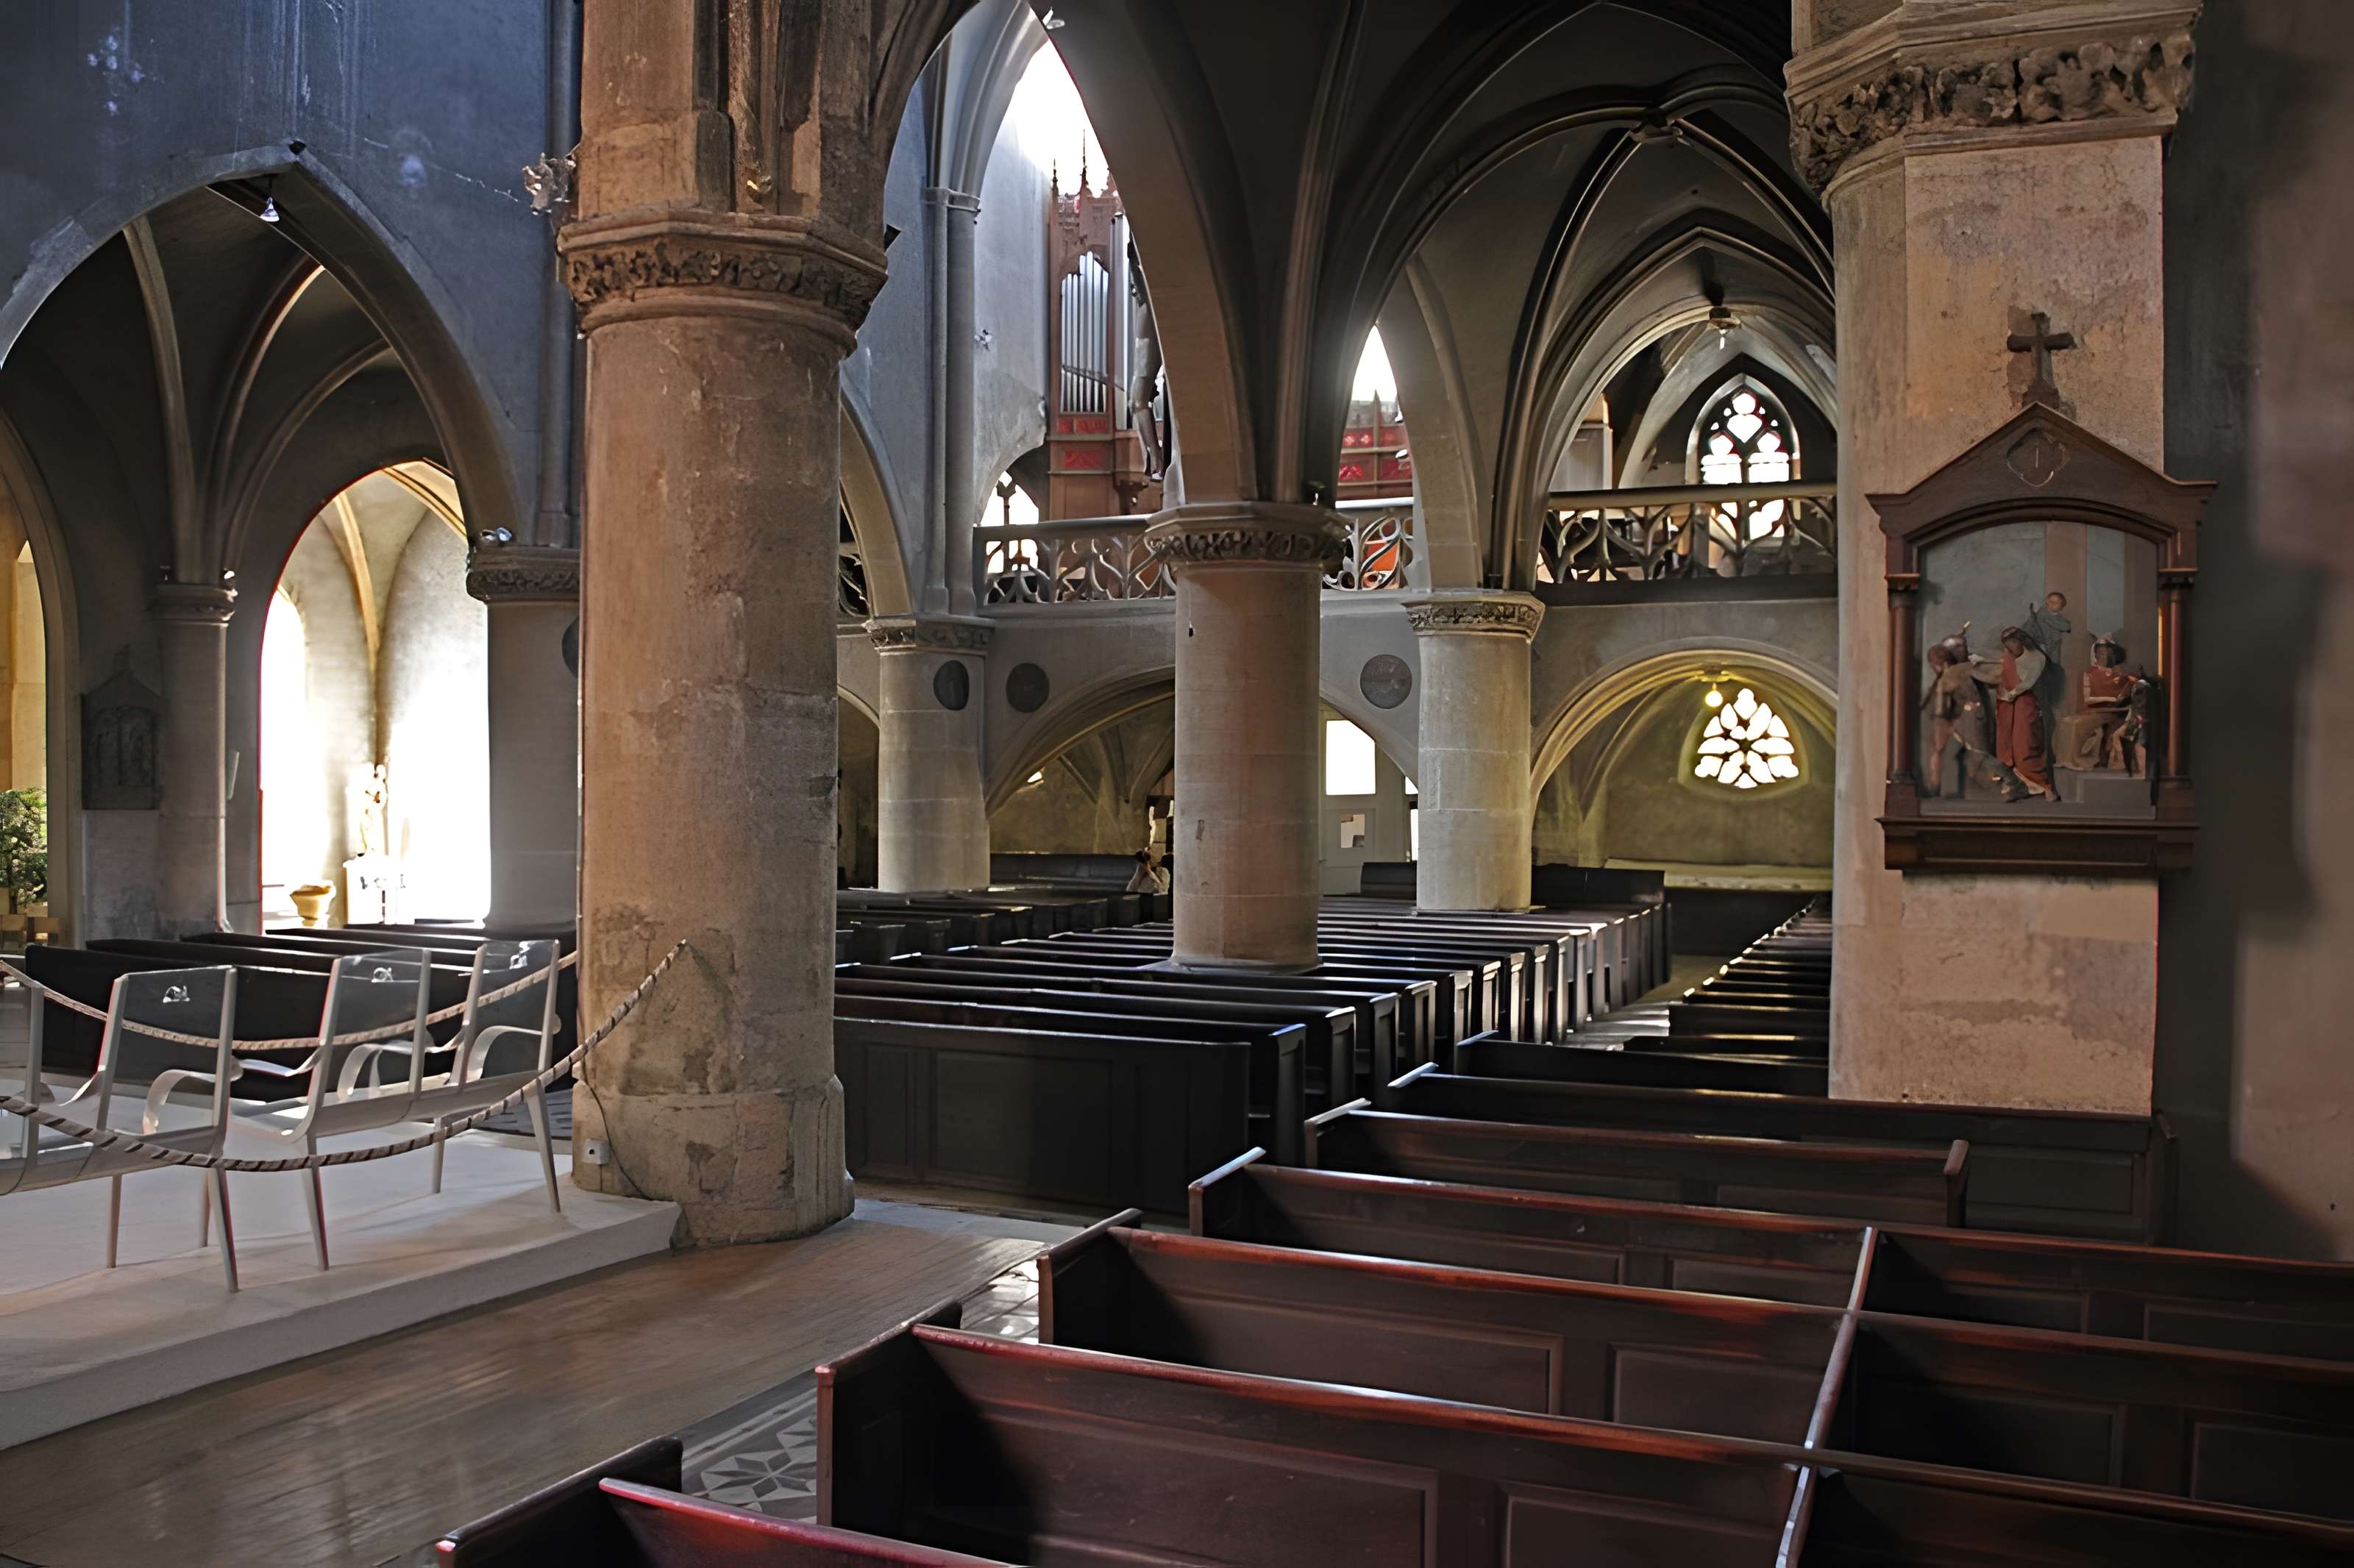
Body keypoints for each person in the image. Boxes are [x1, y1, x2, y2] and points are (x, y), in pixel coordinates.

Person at [1974, 628, 2055, 801]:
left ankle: (2043, 785)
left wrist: (2010, 695)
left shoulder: (2036, 657)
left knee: (2025, 745)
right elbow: (2000, 667)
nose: (2009, 649)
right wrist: (1979, 661)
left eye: (2011, 644)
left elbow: (2027, 682)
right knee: (2006, 746)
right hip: (2007, 706)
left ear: (2021, 640)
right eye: (2006, 646)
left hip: (2025, 704)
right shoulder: (2009, 657)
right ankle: (2016, 786)